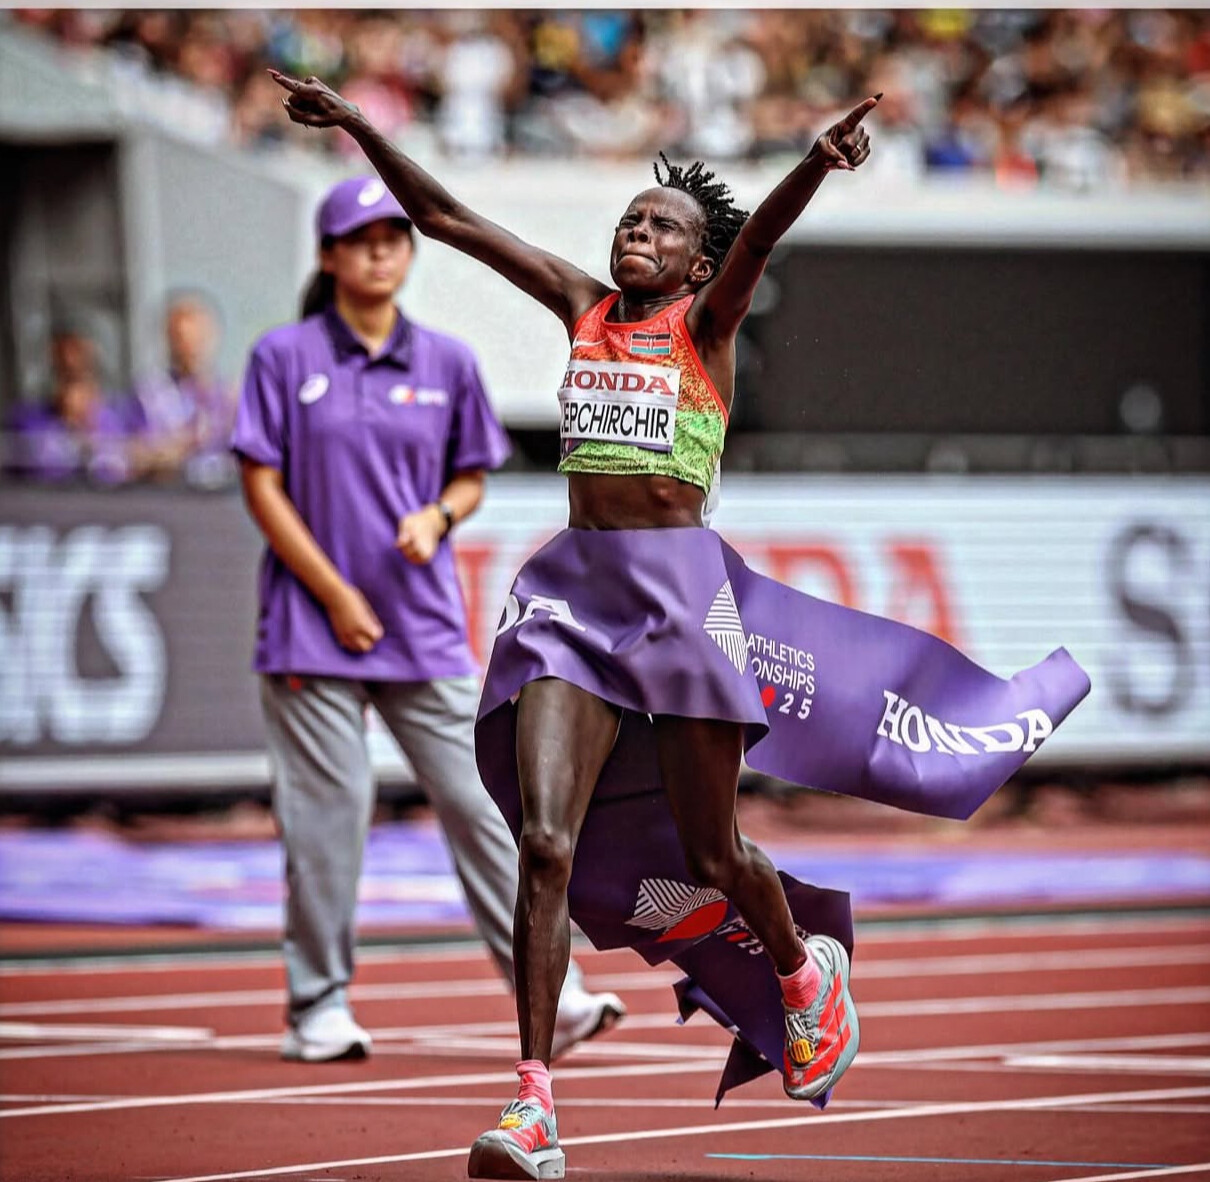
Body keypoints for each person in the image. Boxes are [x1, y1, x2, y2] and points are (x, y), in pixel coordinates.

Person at [270, 73, 877, 1177]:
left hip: (679, 595)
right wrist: (357, 124)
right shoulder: (580, 305)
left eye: (664, 228)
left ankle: (800, 970)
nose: (638, 232)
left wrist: (813, 166)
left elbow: (760, 239)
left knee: (712, 851)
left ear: (698, 265)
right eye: (631, 220)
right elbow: (445, 219)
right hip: (575, 596)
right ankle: (534, 1108)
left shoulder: (707, 323)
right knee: (544, 843)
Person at [230, 175, 626, 1066]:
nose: (381, 252)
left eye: (393, 238)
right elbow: (260, 483)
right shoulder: (284, 357)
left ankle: (551, 994)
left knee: (489, 805)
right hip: (309, 628)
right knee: (330, 816)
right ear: (328, 255)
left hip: (422, 624)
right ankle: (317, 1005)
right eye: (361, 239)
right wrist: (334, 593)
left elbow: (471, 475)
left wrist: (440, 515)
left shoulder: (446, 360)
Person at [135, 290, 239, 488]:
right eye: (180, 338)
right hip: (170, 497)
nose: (189, 349)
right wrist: (187, 442)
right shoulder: (150, 394)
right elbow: (140, 455)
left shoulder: (230, 396)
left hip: (222, 498)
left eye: (198, 338)